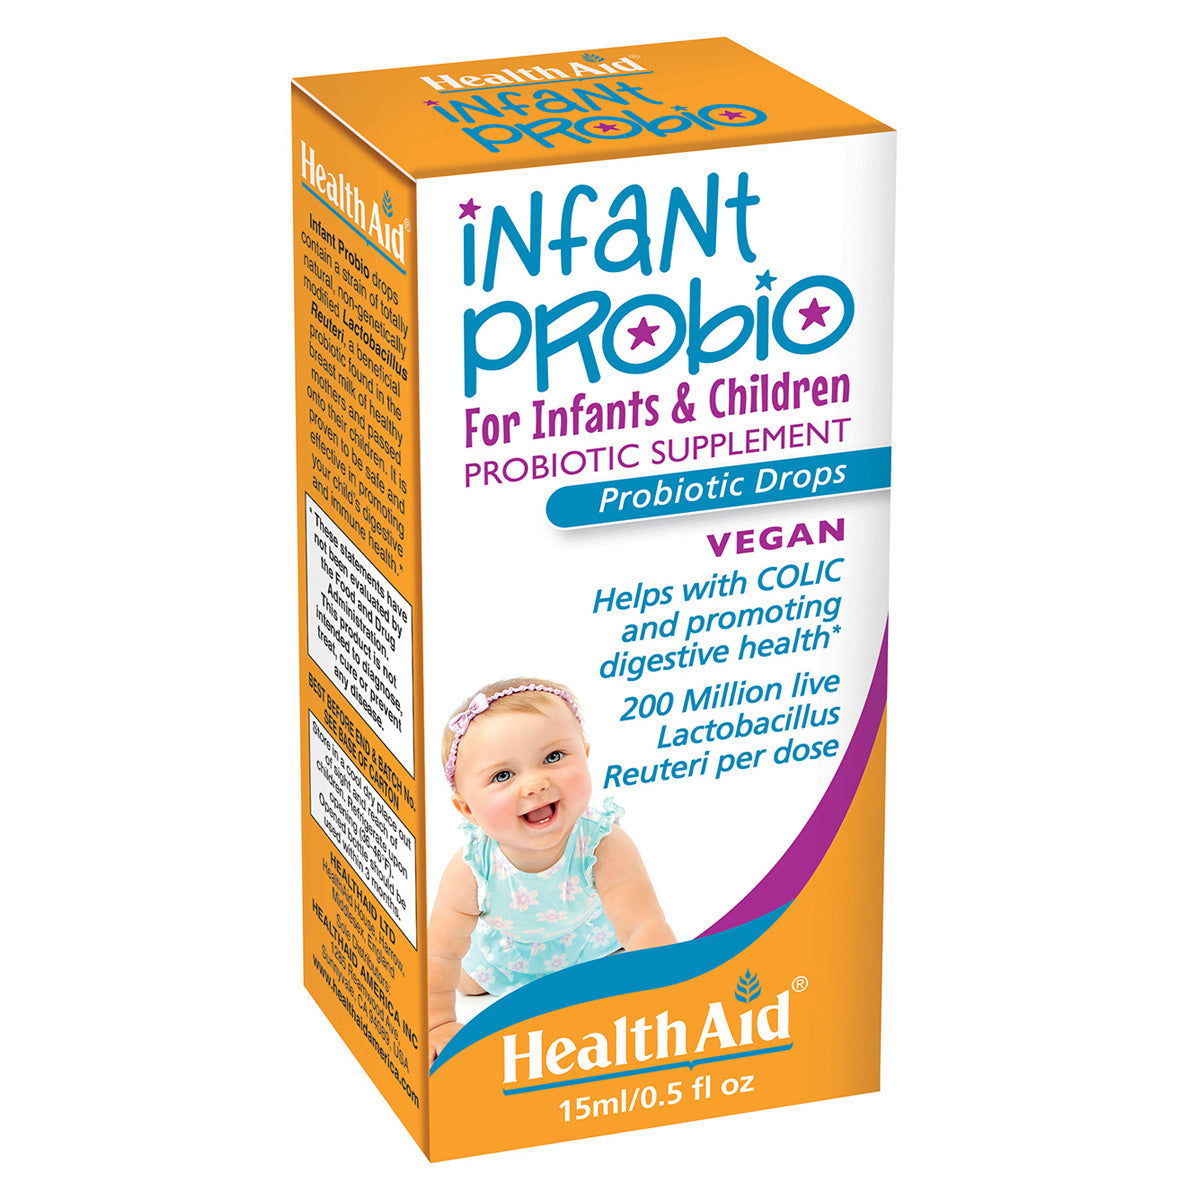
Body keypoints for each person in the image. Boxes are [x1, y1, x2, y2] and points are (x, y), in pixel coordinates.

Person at [427, 678, 674, 1062]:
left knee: (626, 956)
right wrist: (437, 1022)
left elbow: (643, 924)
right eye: (503, 775)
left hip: (593, 943)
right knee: (465, 982)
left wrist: (672, 994)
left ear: (585, 755)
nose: (536, 784)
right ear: (468, 809)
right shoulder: (471, 870)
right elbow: (440, 954)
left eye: (554, 757)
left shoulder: (603, 843)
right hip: (507, 957)